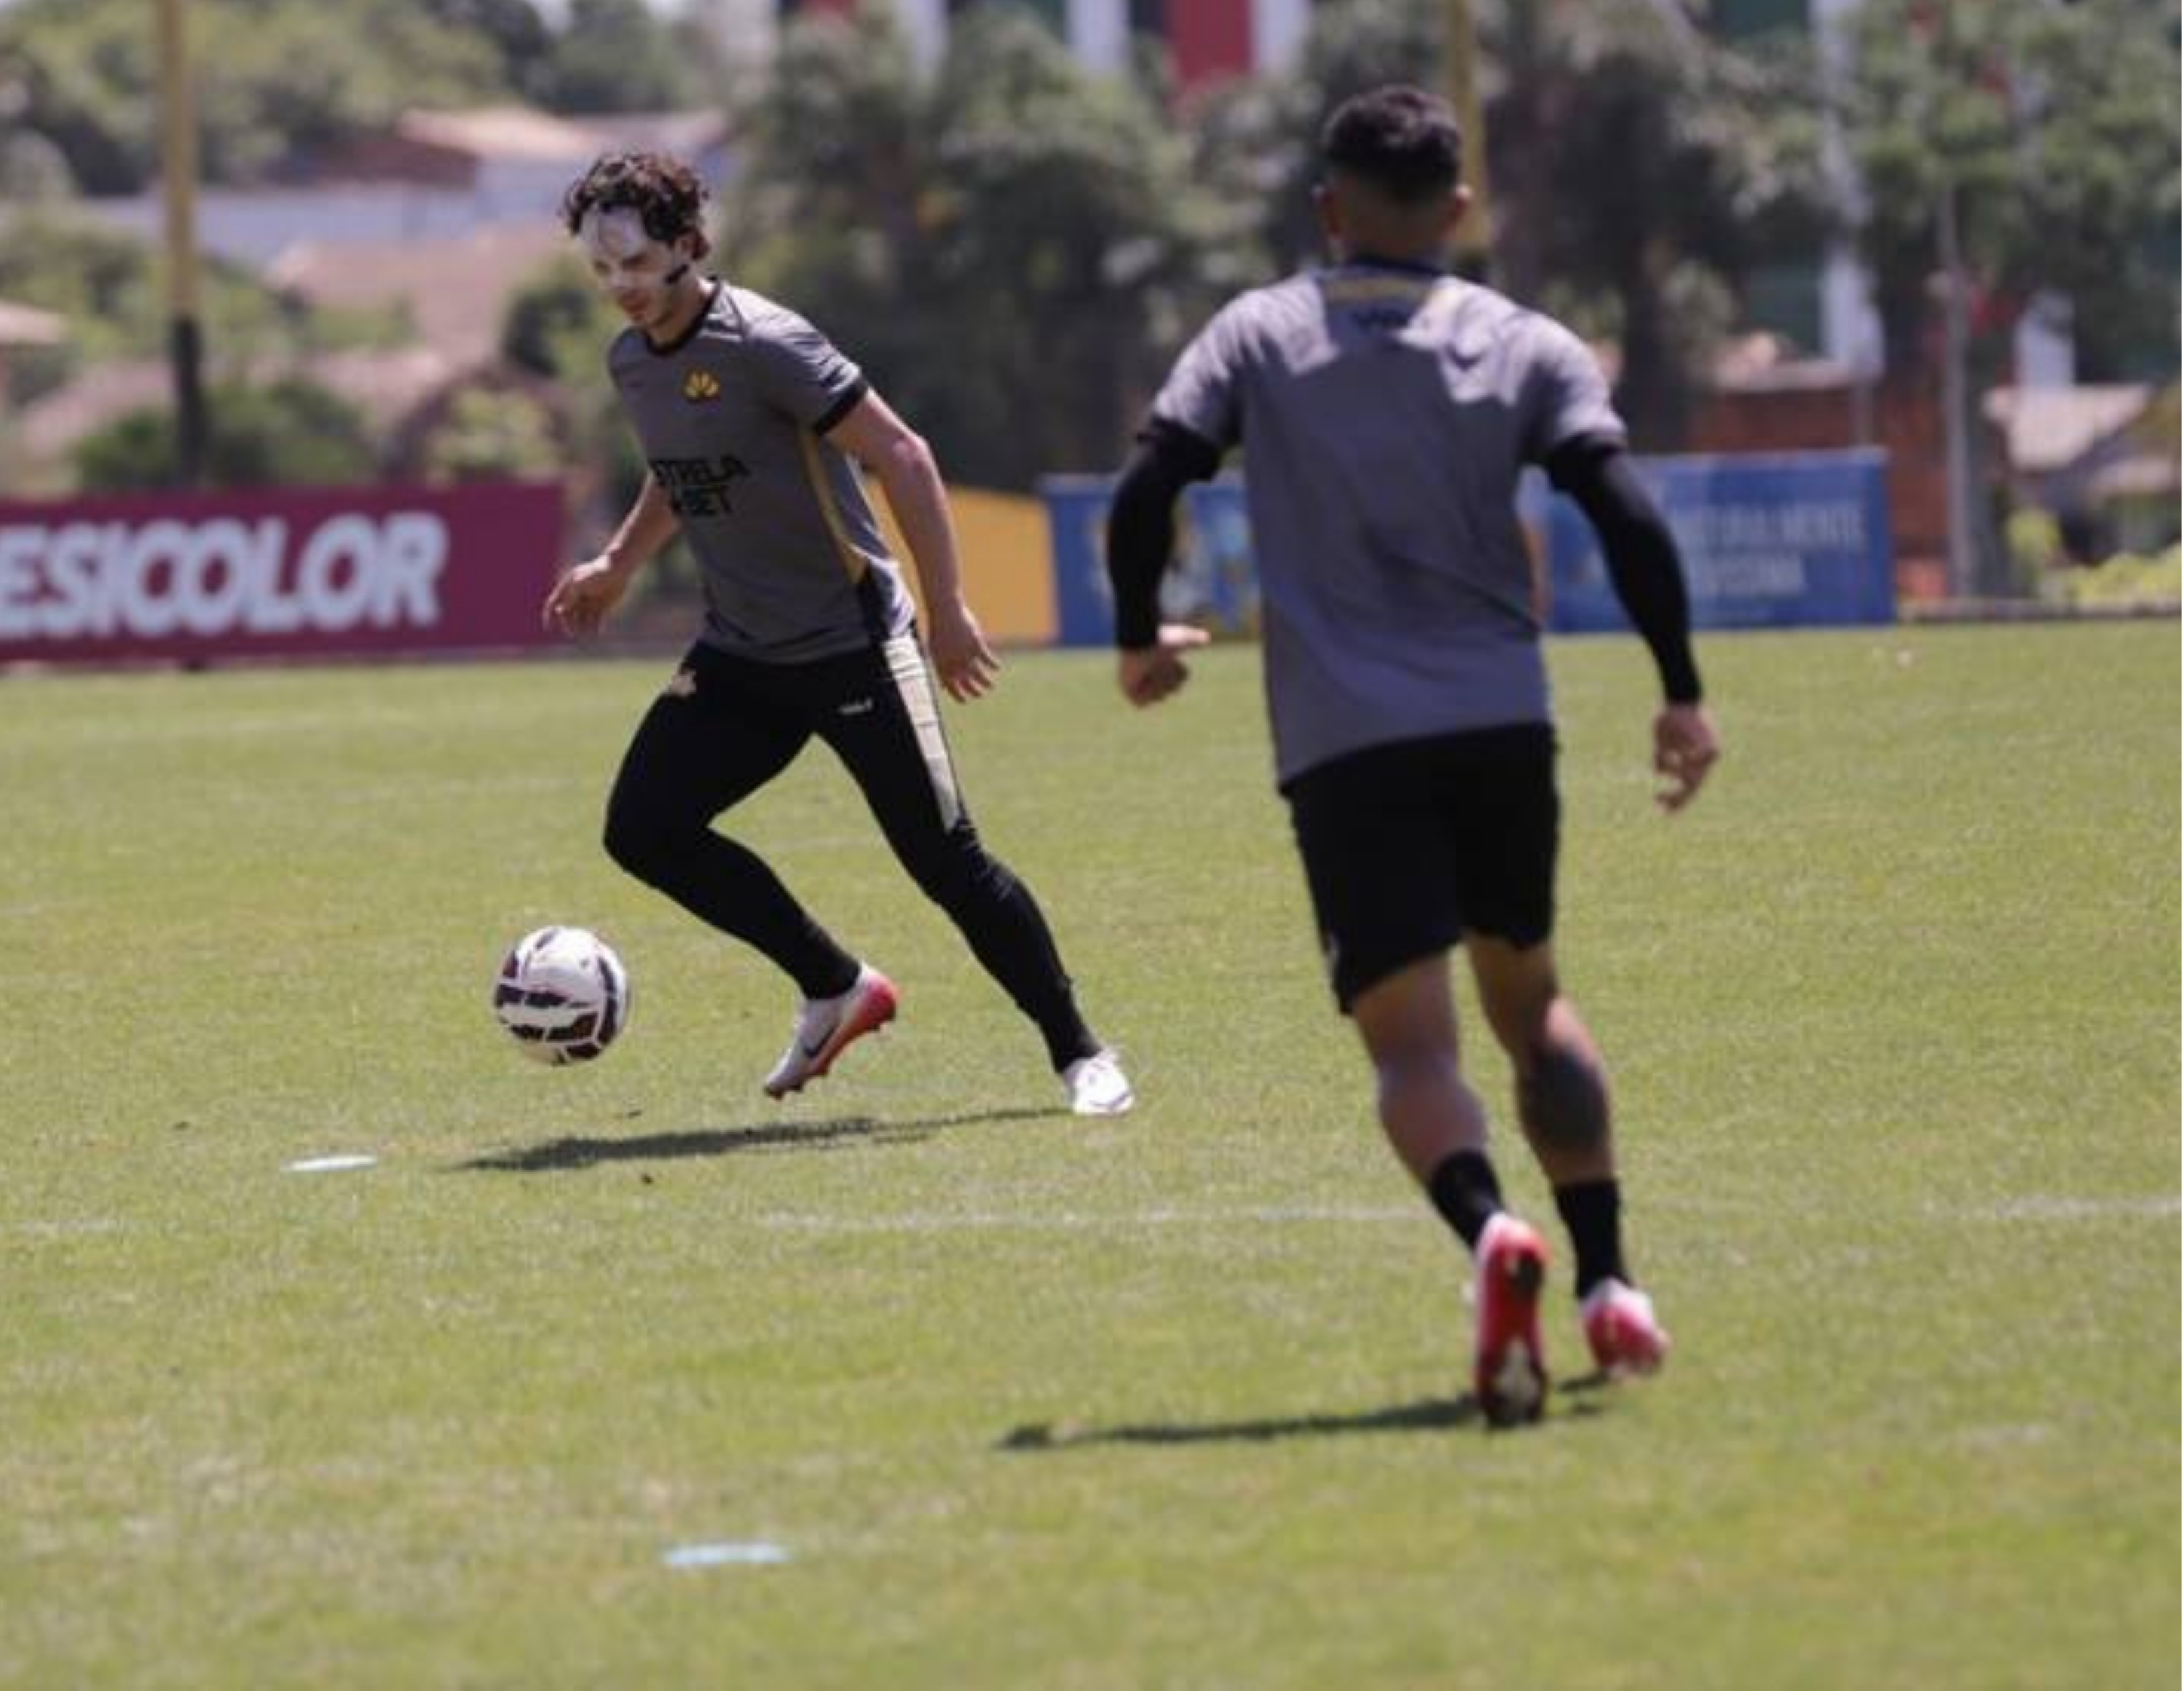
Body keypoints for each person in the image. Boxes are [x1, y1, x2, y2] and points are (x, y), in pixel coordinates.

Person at [1102, 85, 1716, 1427]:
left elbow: (1150, 484)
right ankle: (1610, 1282)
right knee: (1533, 1003)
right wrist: (1679, 691)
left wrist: (1140, 631)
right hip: (1502, 720)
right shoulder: (1525, 340)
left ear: (1328, 208)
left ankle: (1494, 1231)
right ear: (1457, 208)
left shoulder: (1258, 332)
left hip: (1345, 739)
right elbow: (1620, 505)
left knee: (1414, 1050)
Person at [542, 150, 1131, 1117]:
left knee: (947, 864)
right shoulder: (629, 361)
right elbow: (677, 472)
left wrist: (945, 611)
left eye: (637, 265)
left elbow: (903, 454)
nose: (620, 289)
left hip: (853, 644)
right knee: (643, 828)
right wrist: (616, 563)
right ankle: (834, 984)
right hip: (741, 651)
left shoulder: (765, 342)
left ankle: (1080, 1052)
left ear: (690, 246)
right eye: (602, 271)